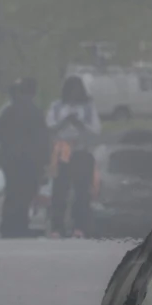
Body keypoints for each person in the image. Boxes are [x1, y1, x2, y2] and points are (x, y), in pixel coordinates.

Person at [0, 78, 50, 237]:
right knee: (22, 192)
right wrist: (43, 160)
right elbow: (42, 139)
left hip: (15, 160)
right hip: (25, 160)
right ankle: (16, 225)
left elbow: (1, 136)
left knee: (15, 192)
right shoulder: (33, 112)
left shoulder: (10, 111)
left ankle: (11, 225)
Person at [46, 76, 101, 238]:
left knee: (81, 191)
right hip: (61, 152)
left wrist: (79, 124)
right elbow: (49, 126)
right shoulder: (56, 106)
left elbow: (96, 130)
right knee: (59, 191)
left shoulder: (89, 108)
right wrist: (64, 122)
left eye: (77, 90)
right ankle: (57, 227)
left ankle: (79, 227)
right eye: (71, 90)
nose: (74, 94)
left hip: (81, 152)